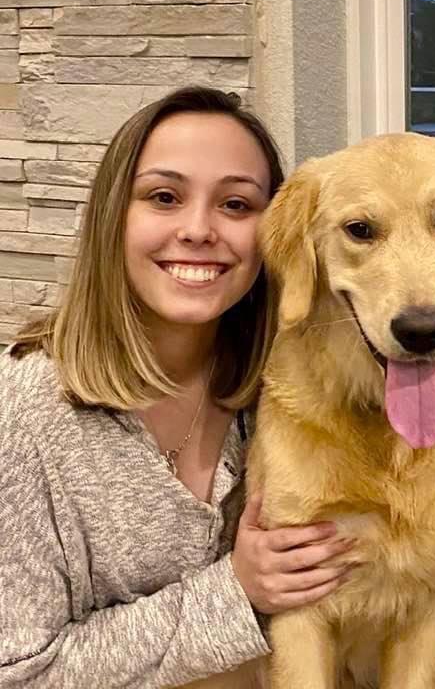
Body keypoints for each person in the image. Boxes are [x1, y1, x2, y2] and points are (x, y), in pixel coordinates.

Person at [0, 86, 356, 687]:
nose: (198, 229)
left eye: (236, 205)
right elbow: (19, 673)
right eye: (164, 197)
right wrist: (236, 591)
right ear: (114, 216)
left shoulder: (287, 390)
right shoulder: (24, 413)